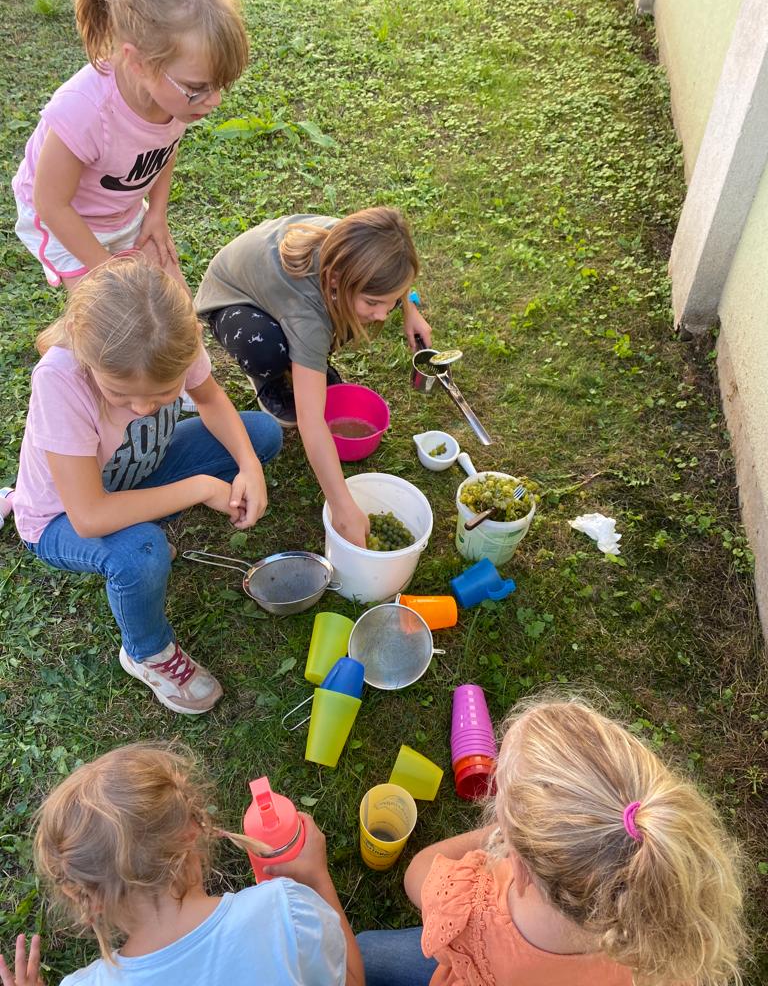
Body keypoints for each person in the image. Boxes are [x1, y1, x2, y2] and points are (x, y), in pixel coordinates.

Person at [10, 257, 282, 714]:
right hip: (61, 519)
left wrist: (249, 466)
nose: (141, 408)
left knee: (260, 436)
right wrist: (200, 487)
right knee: (141, 550)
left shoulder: (173, 339)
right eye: (120, 394)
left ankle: (156, 510)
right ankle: (147, 652)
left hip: (135, 473)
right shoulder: (61, 379)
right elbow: (90, 515)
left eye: (162, 394)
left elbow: (212, 399)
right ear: (87, 356)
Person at [357, 695, 747, 986]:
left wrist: (502, 835)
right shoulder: (658, 923)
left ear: (522, 865)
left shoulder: (479, 909)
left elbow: (418, 874)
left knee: (363, 953)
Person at [0, 742, 364, 986]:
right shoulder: (286, 911)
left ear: (82, 895)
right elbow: (351, 979)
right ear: (194, 828)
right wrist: (318, 879)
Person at [194, 207, 432, 547]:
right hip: (233, 300)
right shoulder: (306, 310)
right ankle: (272, 378)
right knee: (266, 350)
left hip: (294, 295)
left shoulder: (359, 247)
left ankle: (304, 362)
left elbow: (394, 276)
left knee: (348, 318)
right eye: (375, 302)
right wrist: (343, 507)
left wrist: (409, 307)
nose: (383, 313)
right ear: (337, 281)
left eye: (391, 301)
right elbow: (311, 421)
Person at [12, 0, 248, 292]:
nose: (214, 101)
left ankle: (66, 336)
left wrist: (157, 213)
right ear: (139, 63)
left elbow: (162, 150)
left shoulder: (175, 100)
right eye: (198, 88)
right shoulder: (83, 110)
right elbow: (50, 204)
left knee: (177, 311)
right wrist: (108, 269)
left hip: (123, 212)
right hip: (64, 219)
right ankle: (62, 342)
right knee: (113, 319)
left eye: (219, 85)